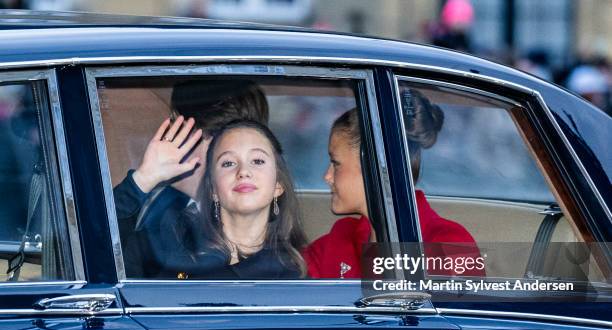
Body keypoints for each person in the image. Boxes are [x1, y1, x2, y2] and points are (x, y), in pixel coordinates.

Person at [304, 90, 484, 278]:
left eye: (336, 163)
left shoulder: (448, 245)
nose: (327, 176)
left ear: (373, 166)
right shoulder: (340, 237)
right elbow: (289, 274)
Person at [113, 79, 269, 278]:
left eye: (174, 122)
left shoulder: (245, 227)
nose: (165, 135)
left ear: (214, 141)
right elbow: (98, 255)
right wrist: (142, 180)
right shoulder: (164, 205)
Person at [116, 117, 306, 279]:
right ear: (213, 188)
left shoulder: (292, 274)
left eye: (257, 161)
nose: (244, 172)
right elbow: (99, 255)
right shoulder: (170, 239)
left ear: (278, 185)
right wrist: (142, 179)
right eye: (228, 163)